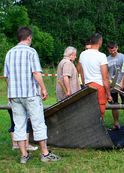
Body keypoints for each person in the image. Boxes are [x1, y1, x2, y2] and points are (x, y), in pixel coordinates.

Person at [4, 26, 60, 164]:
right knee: (38, 123)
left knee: (19, 125)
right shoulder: (31, 52)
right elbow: (36, 73)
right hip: (30, 94)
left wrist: (11, 91)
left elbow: (6, 77)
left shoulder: (9, 53)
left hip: (14, 95)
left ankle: (24, 156)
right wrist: (43, 88)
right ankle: (45, 154)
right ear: (29, 37)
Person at [78, 33, 112, 119]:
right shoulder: (101, 56)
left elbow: (80, 72)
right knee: (100, 113)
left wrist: (85, 84)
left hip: (87, 86)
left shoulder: (82, 54)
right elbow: (105, 78)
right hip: (99, 86)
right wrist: (108, 94)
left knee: (89, 112)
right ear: (100, 41)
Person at [107, 41, 124, 133]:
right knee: (114, 104)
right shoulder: (106, 59)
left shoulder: (123, 57)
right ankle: (116, 123)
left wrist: (122, 83)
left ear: (117, 48)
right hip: (112, 85)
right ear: (108, 49)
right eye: (110, 50)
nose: (112, 52)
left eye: (114, 50)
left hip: (123, 84)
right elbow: (106, 73)